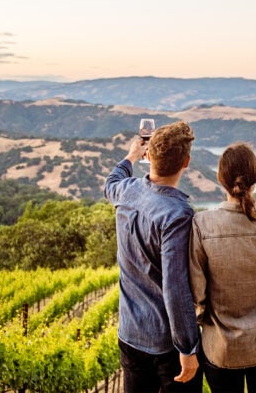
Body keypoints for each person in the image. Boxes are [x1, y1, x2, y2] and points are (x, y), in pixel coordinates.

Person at [104, 120, 202, 393]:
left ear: (149, 157)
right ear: (186, 163)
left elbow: (110, 182)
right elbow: (175, 287)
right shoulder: (177, 214)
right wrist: (187, 347)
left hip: (130, 333)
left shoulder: (126, 190)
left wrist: (130, 156)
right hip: (165, 344)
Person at [189, 142, 256, 393]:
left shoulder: (202, 225)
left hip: (221, 349)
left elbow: (197, 292)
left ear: (220, 179)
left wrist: (208, 324)